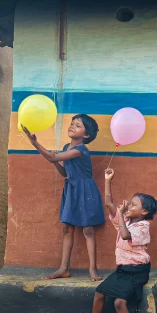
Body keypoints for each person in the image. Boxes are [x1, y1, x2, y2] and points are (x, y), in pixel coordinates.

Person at [75, 168, 157, 313]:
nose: (128, 205)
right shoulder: (126, 220)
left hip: (137, 271)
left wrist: (121, 215)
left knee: (119, 302)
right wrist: (107, 180)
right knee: (99, 293)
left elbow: (125, 235)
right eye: (129, 202)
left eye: (133, 204)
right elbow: (108, 203)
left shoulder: (142, 227)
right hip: (123, 270)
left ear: (144, 212)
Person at [22, 114, 105, 281]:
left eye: (78, 125)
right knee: (67, 228)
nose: (72, 126)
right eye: (72, 123)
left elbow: (51, 157)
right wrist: (55, 162)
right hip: (72, 189)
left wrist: (34, 142)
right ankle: (64, 268)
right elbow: (64, 172)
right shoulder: (67, 147)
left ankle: (92, 268)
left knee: (88, 230)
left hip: (85, 190)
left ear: (86, 135)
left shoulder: (80, 150)